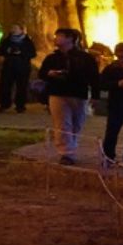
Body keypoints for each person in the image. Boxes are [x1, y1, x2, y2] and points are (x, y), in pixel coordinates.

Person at [37, 28, 99, 165]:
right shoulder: (52, 58)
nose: (55, 39)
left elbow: (94, 77)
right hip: (57, 93)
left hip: (78, 93)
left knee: (77, 123)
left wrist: (95, 95)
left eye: (59, 36)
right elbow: (41, 73)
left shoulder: (85, 58)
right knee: (62, 124)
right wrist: (50, 74)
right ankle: (67, 153)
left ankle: (70, 145)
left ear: (70, 39)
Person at [0, 25, 37, 113]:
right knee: (4, 86)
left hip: (22, 67)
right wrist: (7, 51)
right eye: (12, 28)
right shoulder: (7, 40)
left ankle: (20, 106)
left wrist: (21, 52)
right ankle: (4, 104)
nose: (13, 29)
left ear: (21, 30)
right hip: (8, 67)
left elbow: (33, 54)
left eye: (16, 28)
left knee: (22, 86)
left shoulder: (27, 41)